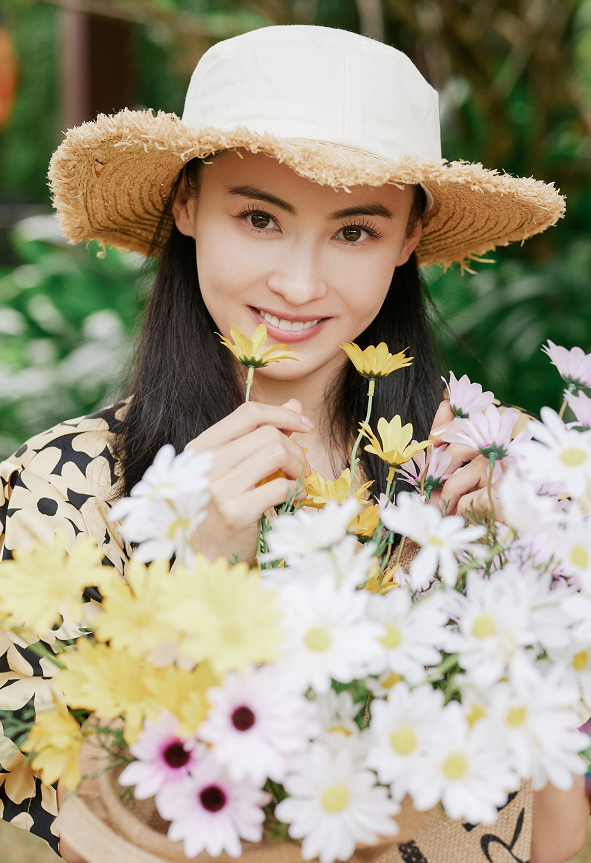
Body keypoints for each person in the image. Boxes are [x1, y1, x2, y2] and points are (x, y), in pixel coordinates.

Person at [0, 24, 587, 863]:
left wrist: (542, 575)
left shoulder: (478, 472)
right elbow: (57, 834)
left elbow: (554, 836)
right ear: (186, 203)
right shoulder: (64, 488)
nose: (300, 284)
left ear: (409, 238)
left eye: (355, 231)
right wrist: (194, 588)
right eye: (258, 217)